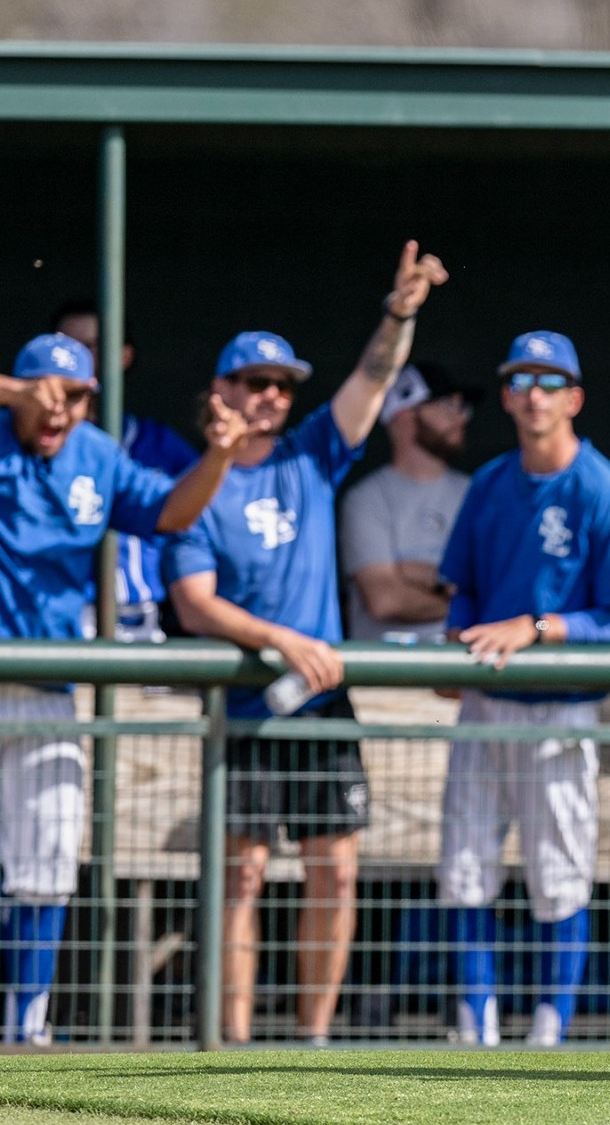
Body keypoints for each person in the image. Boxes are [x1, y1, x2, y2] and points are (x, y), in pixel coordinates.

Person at [0, 331, 250, 1046]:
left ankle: (29, 1027)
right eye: (52, 393)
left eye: (79, 394)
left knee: (48, 860)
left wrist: (219, 455)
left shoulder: (95, 452)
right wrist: (11, 390)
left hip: (48, 683)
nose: (61, 407)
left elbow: (170, 512)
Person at [165, 241, 449, 1045]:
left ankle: (314, 1041)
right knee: (243, 875)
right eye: (255, 382)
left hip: (321, 699)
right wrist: (281, 638)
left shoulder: (312, 452)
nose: (269, 396)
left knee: (336, 868)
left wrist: (400, 312)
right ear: (220, 391)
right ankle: (235, 1044)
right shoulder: (200, 483)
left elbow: (371, 383)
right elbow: (193, 604)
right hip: (249, 703)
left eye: (282, 384)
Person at [432, 331, 610, 1047]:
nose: (534, 394)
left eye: (550, 382)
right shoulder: (490, 482)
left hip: (562, 707)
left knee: (559, 875)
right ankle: (477, 1027)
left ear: (575, 398)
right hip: (485, 704)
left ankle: (549, 1030)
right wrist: (456, 643)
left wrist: (538, 626)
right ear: (505, 396)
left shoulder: (605, 491)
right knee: (465, 869)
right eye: (521, 380)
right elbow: (461, 590)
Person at [52, 299, 200, 642]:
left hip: (143, 618)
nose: (80, 360)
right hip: (64, 617)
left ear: (124, 356)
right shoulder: (30, 445)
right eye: (66, 347)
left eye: (92, 347)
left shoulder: (158, 443)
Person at [339, 360, 479, 643]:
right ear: (404, 413)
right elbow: (385, 600)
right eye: (447, 405)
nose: (461, 417)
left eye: (463, 407)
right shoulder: (366, 499)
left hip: (465, 677)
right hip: (389, 682)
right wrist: (463, 604)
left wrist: (419, 573)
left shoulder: (478, 491)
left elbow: (495, 589)